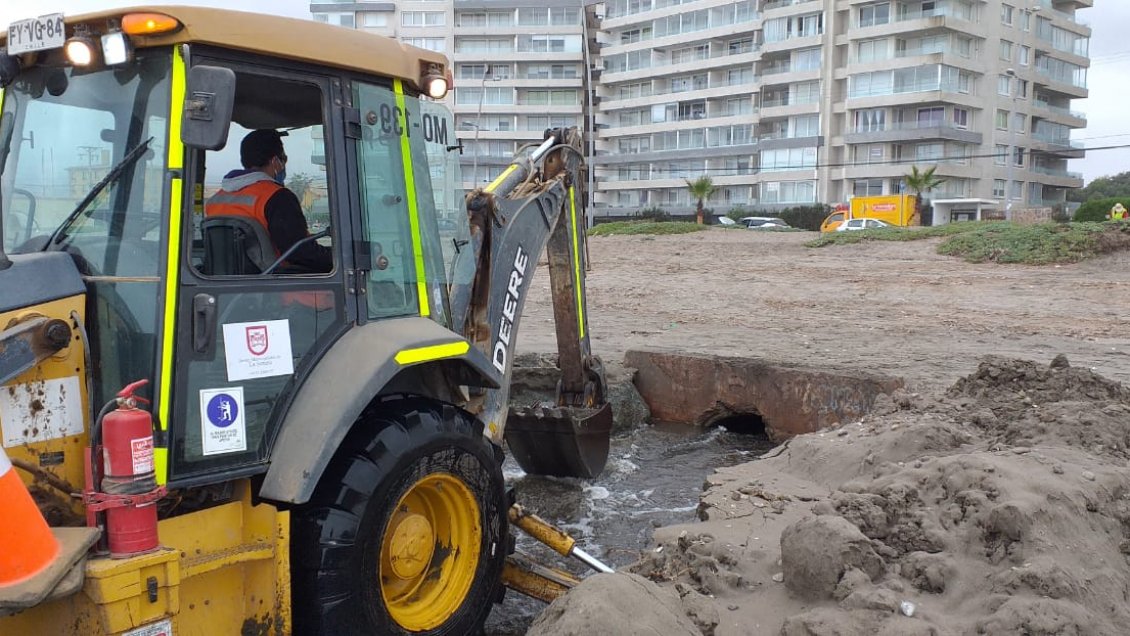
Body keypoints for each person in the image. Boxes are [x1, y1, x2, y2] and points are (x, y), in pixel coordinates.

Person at [205, 129, 331, 273]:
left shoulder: (215, 200)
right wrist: (335, 258)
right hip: (277, 282)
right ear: (275, 161)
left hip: (225, 282)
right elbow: (299, 253)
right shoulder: (277, 197)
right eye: (284, 159)